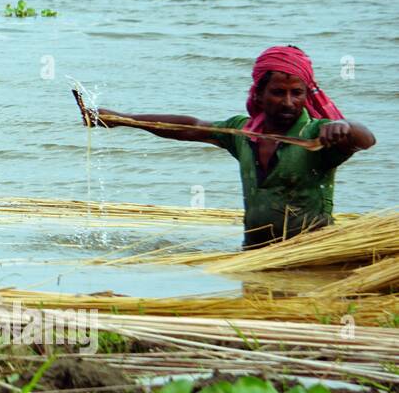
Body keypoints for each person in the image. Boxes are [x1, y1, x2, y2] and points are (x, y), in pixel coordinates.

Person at [92, 46, 375, 249]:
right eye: (278, 92)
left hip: (310, 253)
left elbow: (365, 140)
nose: (288, 102)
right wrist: (121, 119)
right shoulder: (242, 133)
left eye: (296, 93)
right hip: (254, 252)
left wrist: (346, 126)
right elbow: (190, 127)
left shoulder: (318, 136)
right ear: (259, 95)